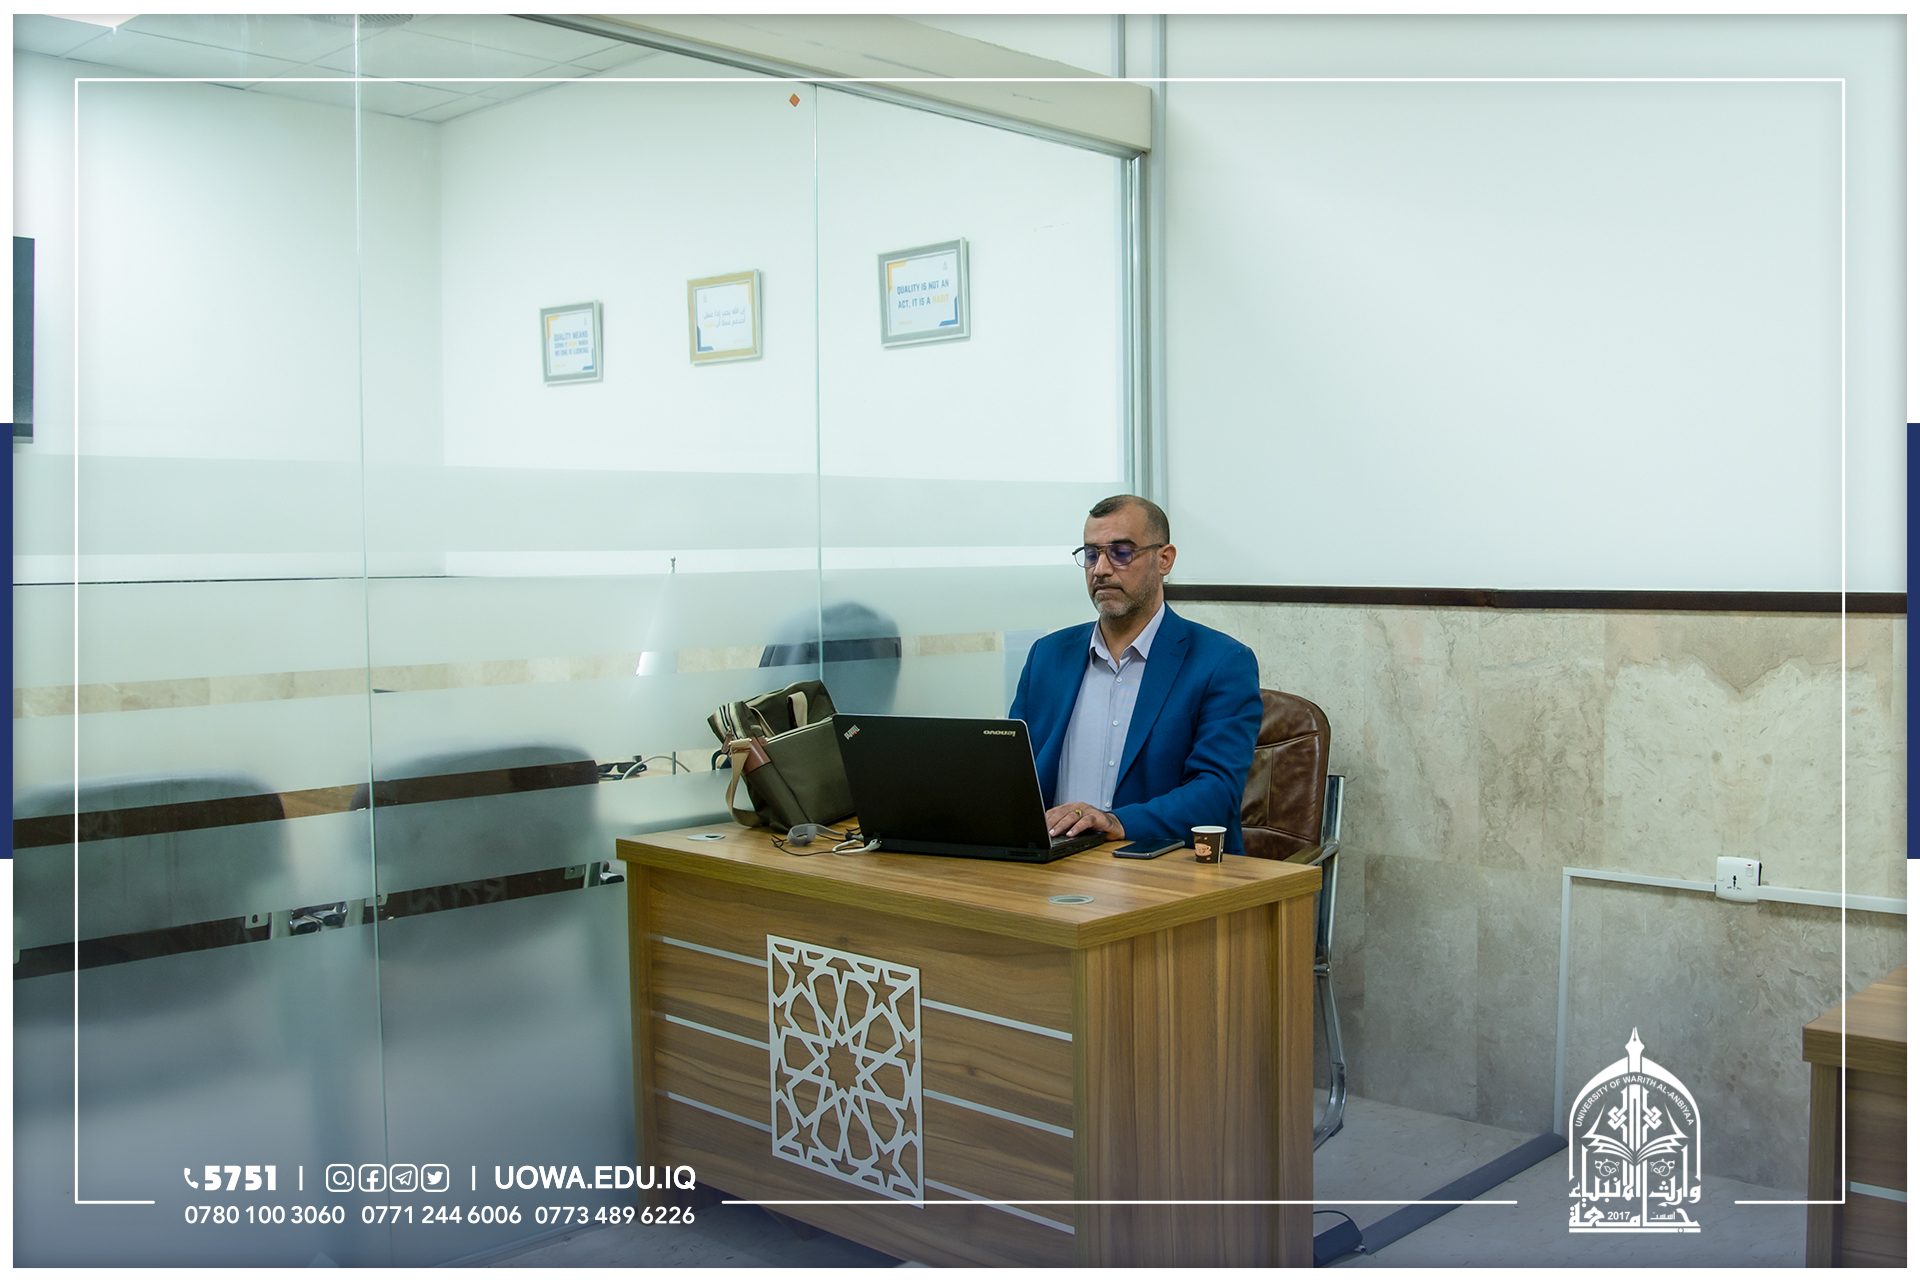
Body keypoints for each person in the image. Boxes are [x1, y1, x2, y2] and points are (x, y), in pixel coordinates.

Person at [1009, 494, 1262, 855]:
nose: (1101, 569)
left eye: (1121, 553)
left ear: (1164, 559)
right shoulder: (1047, 656)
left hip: (1163, 868)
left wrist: (1116, 822)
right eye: (1091, 554)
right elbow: (1013, 774)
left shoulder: (1221, 662)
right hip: (1056, 866)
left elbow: (1216, 792)